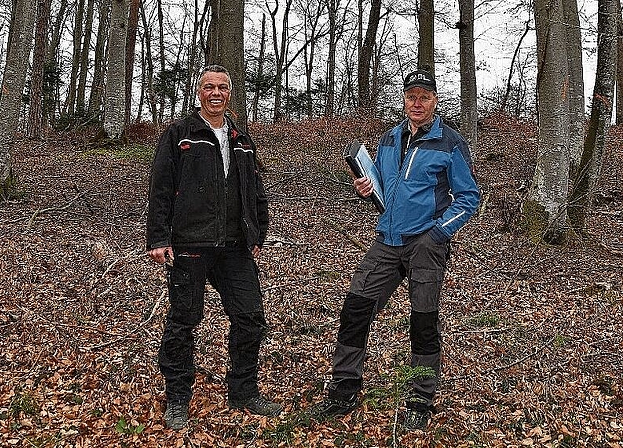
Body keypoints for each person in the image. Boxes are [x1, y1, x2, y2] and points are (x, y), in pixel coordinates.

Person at [311, 68, 480, 430]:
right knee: (355, 308)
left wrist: (437, 235)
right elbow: (386, 188)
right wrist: (367, 189)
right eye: (411, 96)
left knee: (422, 322)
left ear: (435, 101)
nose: (417, 103)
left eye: (424, 97)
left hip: (424, 245)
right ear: (404, 100)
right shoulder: (389, 138)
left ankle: (420, 398)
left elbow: (468, 198)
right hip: (387, 241)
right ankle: (344, 388)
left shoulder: (449, 142)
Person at [146, 64, 282, 430]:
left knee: (250, 316)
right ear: (199, 93)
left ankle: (243, 391)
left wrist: (257, 232)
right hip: (191, 243)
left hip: (235, 246)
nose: (216, 93)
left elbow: (254, 188)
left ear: (230, 93)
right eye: (209, 87)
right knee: (183, 322)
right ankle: (177, 398)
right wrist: (158, 238)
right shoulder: (180, 133)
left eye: (222, 87)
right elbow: (160, 188)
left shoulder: (240, 136)